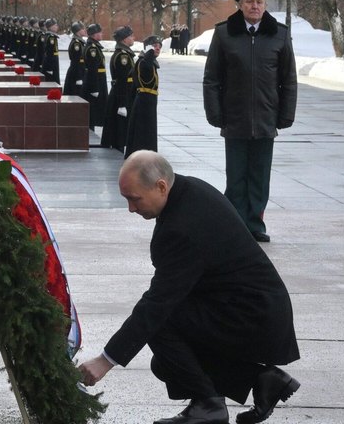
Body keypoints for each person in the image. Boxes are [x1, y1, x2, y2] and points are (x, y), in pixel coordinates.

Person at [78, 150, 301, 424]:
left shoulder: (183, 227)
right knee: (168, 364)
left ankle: (209, 407)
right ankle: (260, 380)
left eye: (134, 199)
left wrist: (106, 359)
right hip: (247, 306)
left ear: (161, 186)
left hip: (251, 316)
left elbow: (158, 304)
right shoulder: (188, 190)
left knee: (162, 320)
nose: (131, 209)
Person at [203, 0, 297, 243]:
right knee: (236, 177)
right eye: (249, 1)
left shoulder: (279, 35)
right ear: (240, 5)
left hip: (266, 119)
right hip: (234, 119)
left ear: (265, 4)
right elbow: (212, 79)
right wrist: (215, 114)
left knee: (259, 176)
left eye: (259, 1)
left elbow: (288, 80)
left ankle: (255, 224)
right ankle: (234, 224)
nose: (254, 6)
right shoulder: (224, 34)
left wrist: (286, 115)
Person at [124, 35, 162, 158]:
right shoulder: (144, 61)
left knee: (148, 132)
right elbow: (144, 72)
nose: (158, 49)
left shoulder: (149, 61)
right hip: (144, 101)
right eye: (155, 46)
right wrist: (149, 54)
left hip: (149, 101)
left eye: (159, 47)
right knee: (143, 132)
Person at [100, 25, 136, 151]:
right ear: (124, 40)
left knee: (120, 128)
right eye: (131, 36)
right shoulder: (123, 56)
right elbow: (122, 80)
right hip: (121, 95)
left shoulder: (125, 54)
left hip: (122, 94)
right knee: (119, 129)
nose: (133, 38)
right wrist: (122, 103)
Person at [80, 23, 108, 130]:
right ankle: (89, 132)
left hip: (98, 81)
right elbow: (92, 69)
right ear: (94, 34)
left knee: (95, 110)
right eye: (100, 32)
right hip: (95, 83)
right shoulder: (93, 49)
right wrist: (94, 88)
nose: (102, 34)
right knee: (92, 110)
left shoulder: (95, 47)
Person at [63, 21, 87, 96]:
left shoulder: (79, 42)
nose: (85, 30)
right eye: (83, 29)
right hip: (76, 74)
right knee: (75, 95)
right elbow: (76, 61)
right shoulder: (76, 44)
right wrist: (78, 77)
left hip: (79, 71)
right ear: (78, 31)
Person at [40, 18, 60, 83]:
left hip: (53, 62)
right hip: (51, 64)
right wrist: (50, 68)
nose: (57, 27)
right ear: (51, 27)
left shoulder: (51, 36)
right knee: (52, 81)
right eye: (55, 25)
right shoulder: (51, 37)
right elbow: (49, 53)